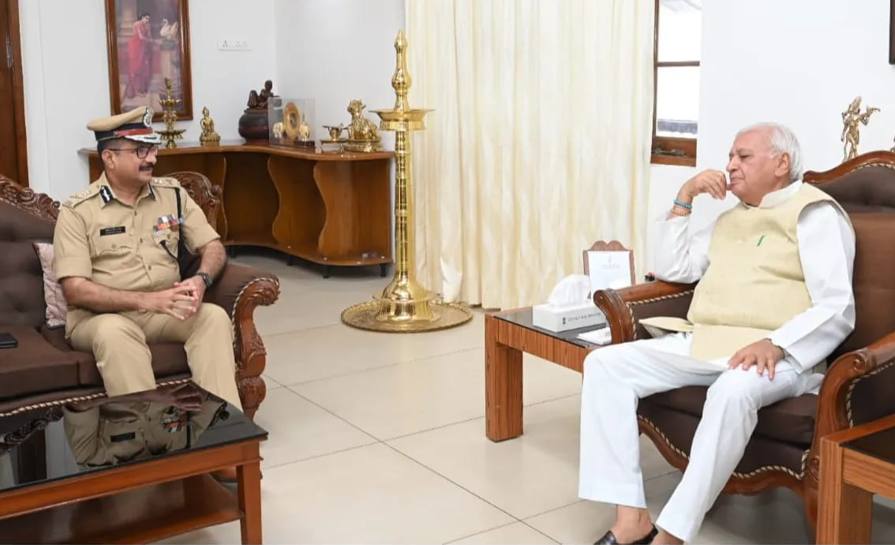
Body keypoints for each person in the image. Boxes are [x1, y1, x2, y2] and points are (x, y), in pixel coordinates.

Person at [579, 123, 855, 544]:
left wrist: (777, 343)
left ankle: (672, 534)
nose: (730, 166)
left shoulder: (814, 214)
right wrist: (684, 196)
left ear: (781, 163)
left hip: (780, 356)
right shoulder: (732, 219)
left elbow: (837, 306)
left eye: (743, 156)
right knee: (604, 364)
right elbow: (675, 269)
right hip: (709, 341)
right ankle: (630, 518)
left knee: (732, 391)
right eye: (730, 156)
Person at [53, 106, 242, 410]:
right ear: (109, 157)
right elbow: (75, 289)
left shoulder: (173, 194)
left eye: (152, 148)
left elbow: (214, 246)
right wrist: (147, 301)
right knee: (115, 334)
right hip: (99, 317)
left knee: (212, 318)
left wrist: (200, 279)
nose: (152, 158)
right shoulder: (78, 211)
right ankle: (152, 444)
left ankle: (222, 430)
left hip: (163, 309)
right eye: (140, 150)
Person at [124, 13, 153, 99]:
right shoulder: (136, 24)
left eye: (148, 19)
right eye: (146, 18)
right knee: (135, 67)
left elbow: (149, 35)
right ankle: (133, 90)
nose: (147, 20)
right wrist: (150, 40)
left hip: (143, 46)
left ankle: (141, 89)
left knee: (143, 67)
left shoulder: (148, 25)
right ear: (142, 17)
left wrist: (150, 40)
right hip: (135, 45)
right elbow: (140, 36)